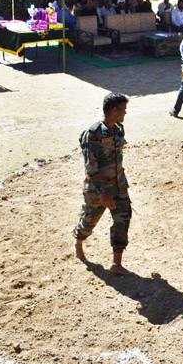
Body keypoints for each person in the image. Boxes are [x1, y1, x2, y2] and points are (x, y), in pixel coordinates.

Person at [74, 93, 133, 275]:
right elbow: (90, 167)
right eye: (123, 110)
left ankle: (117, 263)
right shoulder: (93, 133)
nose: (125, 113)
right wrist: (102, 193)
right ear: (114, 110)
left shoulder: (119, 129)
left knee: (123, 219)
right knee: (89, 222)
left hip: (118, 186)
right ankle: (78, 242)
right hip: (97, 190)